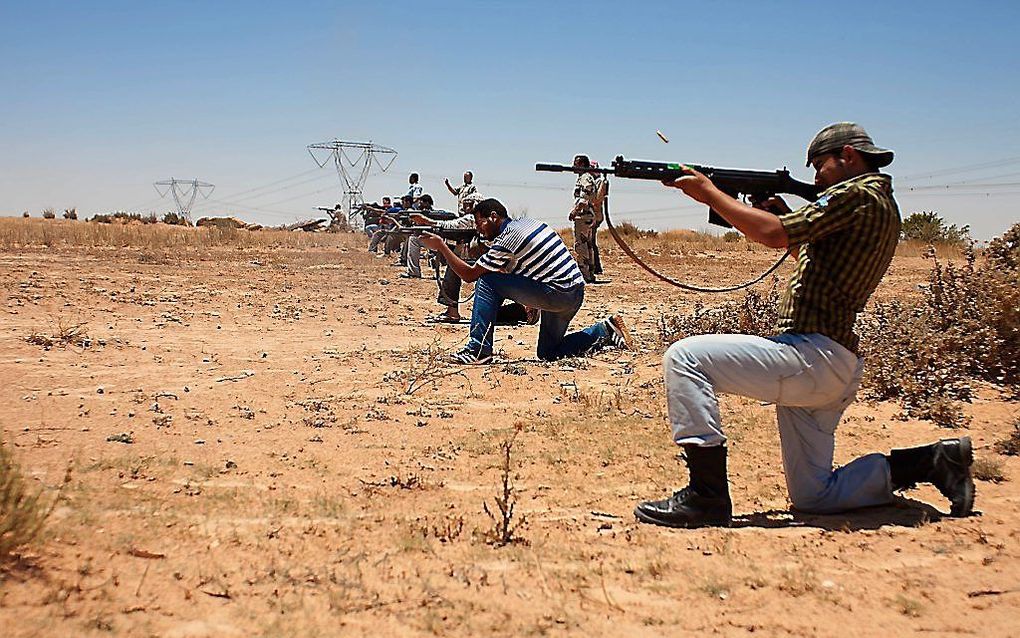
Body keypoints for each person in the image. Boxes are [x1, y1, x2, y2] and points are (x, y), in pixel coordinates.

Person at [635, 122, 975, 528]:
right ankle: (931, 462)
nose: (816, 177)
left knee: (685, 358)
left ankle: (707, 496)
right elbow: (805, 253)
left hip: (814, 354)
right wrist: (780, 219)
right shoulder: (876, 202)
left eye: (820, 165)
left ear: (848, 156)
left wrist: (708, 192)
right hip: (831, 366)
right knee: (816, 495)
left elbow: (772, 236)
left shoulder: (857, 193)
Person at [421, 198, 632, 364]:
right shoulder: (528, 223)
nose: (479, 229)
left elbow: (469, 275)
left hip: (557, 294)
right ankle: (605, 330)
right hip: (573, 293)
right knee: (548, 353)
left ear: (493, 216)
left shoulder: (507, 239)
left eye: (480, 222)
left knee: (487, 281)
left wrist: (441, 246)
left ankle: (478, 350)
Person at [569, 155, 598, 283]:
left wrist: (575, 211)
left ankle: (584, 274)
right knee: (588, 245)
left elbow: (584, 198)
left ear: (581, 165)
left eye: (576, 164)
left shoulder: (585, 178)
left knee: (581, 246)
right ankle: (589, 274)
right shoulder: (587, 177)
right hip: (588, 215)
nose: (573, 166)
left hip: (583, 215)